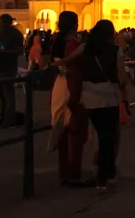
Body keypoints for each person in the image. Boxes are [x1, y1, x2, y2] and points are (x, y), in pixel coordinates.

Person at [73, 20, 127, 191]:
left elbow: (67, 60)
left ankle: (106, 173)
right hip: (109, 97)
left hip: (89, 98)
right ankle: (103, 177)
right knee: (108, 136)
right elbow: (122, 78)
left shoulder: (85, 48)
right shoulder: (115, 50)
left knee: (102, 136)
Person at [49, 11, 91, 187]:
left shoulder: (54, 41)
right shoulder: (74, 43)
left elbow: (47, 63)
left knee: (62, 130)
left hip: (58, 85)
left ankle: (64, 172)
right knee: (76, 129)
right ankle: (73, 173)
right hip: (72, 85)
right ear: (75, 24)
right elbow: (76, 66)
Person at [0, 14, 24, 127]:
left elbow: (20, 51)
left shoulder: (16, 35)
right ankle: (3, 116)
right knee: (1, 94)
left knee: (8, 94)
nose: (1, 26)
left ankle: (9, 119)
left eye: (2, 24)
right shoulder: (1, 34)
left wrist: (3, 52)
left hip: (9, 67)